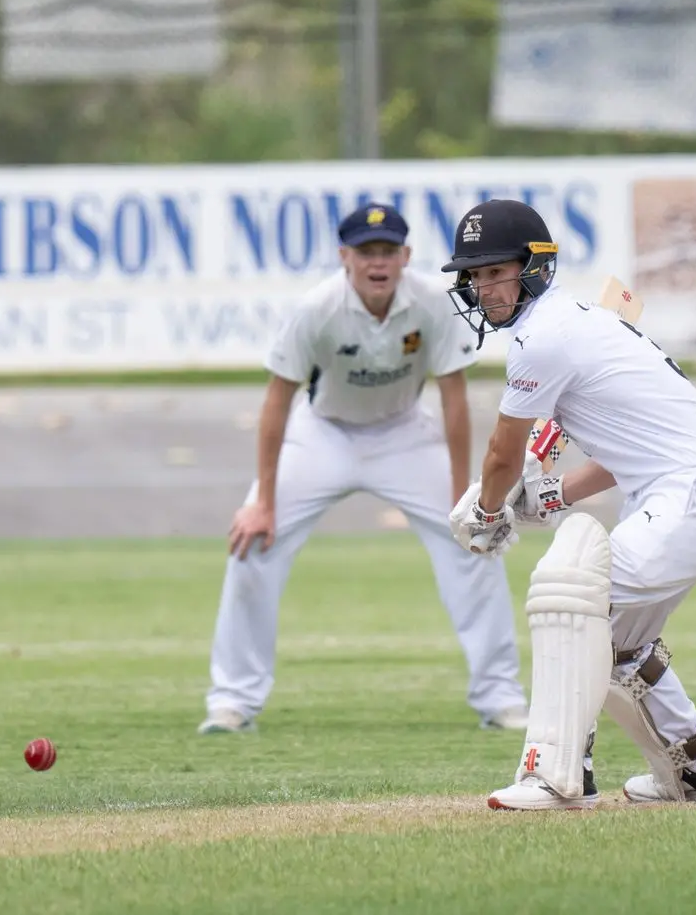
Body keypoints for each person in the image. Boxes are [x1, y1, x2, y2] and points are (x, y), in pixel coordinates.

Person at [441, 198, 696, 810]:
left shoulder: (544, 338)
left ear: (533, 267)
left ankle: (556, 775)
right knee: (616, 647)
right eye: (475, 276)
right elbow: (623, 452)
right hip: (686, 496)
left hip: (691, 499)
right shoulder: (581, 324)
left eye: (495, 272)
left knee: (568, 598)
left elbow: (503, 457)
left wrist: (486, 512)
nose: (484, 289)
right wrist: (548, 494)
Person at [196, 202, 529, 735]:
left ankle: (501, 698)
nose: (378, 263)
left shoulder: (431, 304)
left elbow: (455, 400)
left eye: (389, 252)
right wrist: (263, 503)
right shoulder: (317, 309)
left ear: (406, 256)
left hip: (403, 432)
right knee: (252, 540)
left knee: (476, 540)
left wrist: (461, 497)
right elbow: (277, 403)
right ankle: (232, 702)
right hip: (322, 432)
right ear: (345, 257)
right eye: (367, 253)